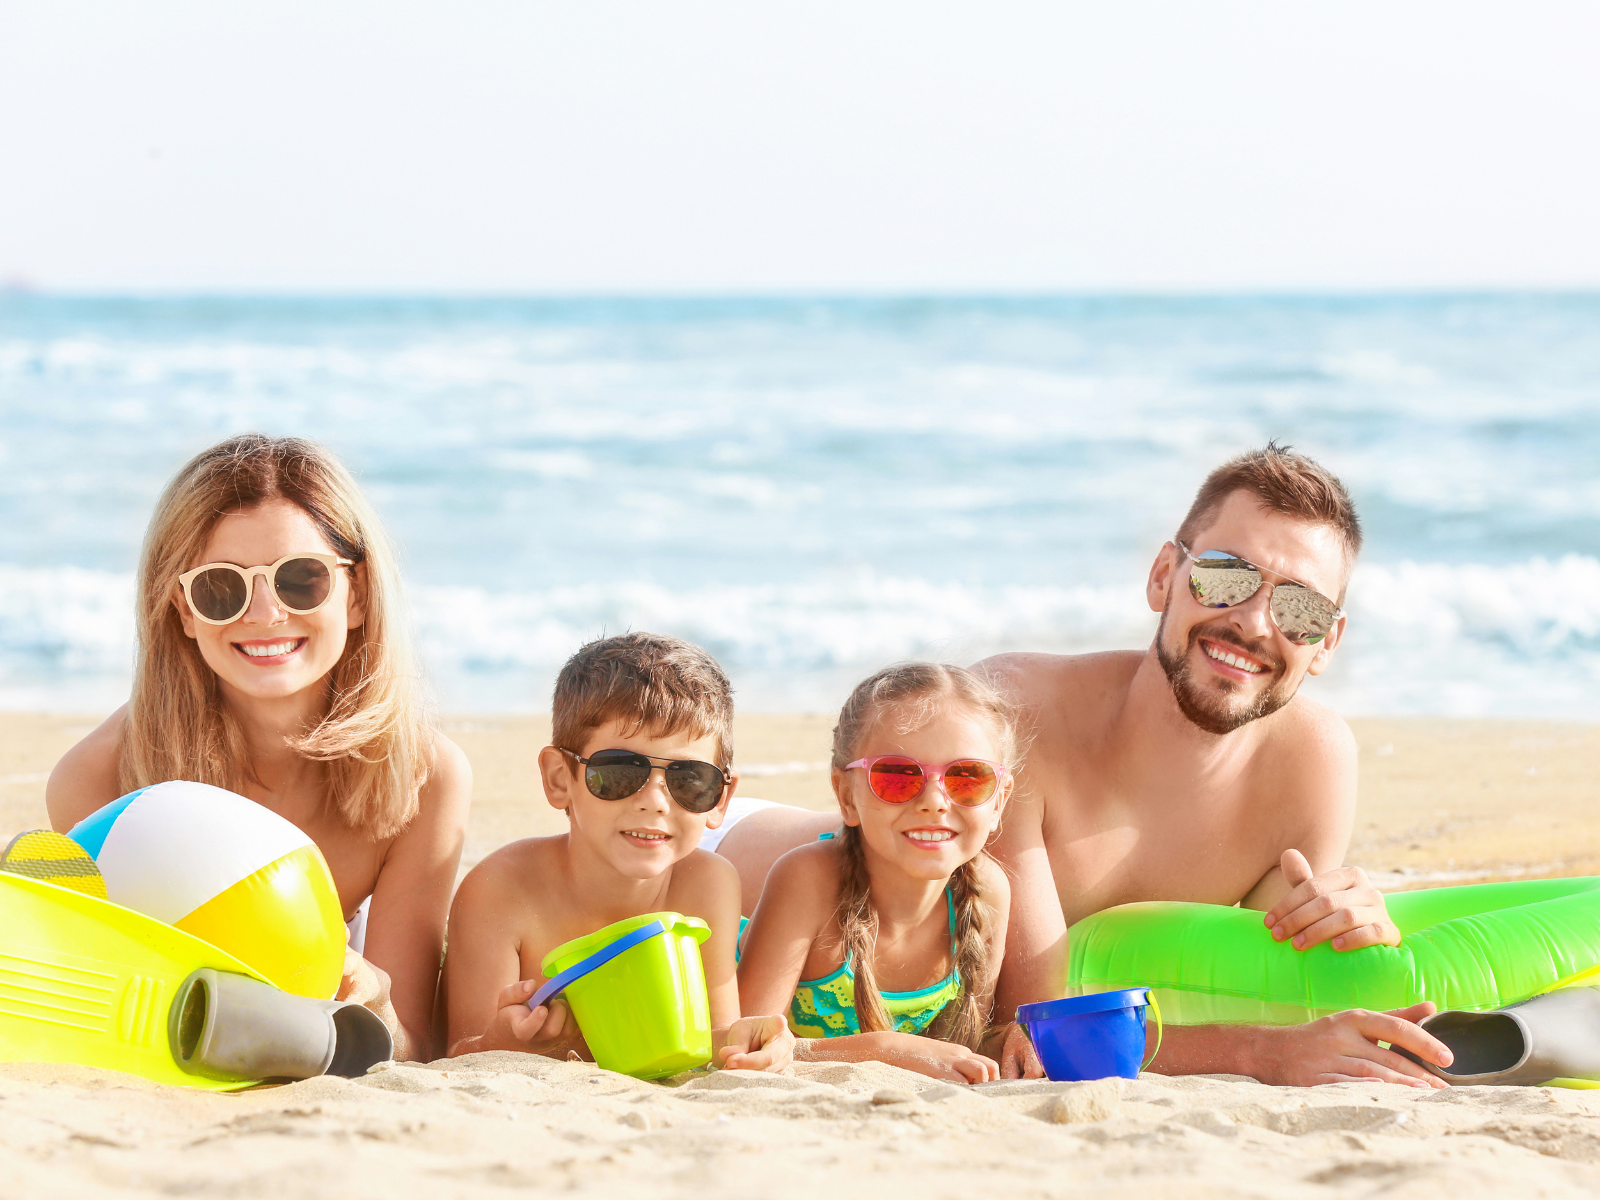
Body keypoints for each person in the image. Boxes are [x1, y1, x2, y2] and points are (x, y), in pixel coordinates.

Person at [717, 444, 1456, 1087]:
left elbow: (1247, 980)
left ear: (1327, 643)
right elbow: (1038, 1032)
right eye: (1226, 576)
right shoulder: (1022, 716)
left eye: (1300, 611)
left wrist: (1351, 922)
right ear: (1164, 574)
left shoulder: (1314, 762)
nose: (1255, 623)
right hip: (724, 873)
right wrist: (1269, 1054)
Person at [47, 434, 470, 1062]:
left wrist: (375, 999)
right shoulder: (101, 775)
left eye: (301, 579)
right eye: (223, 588)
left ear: (356, 595)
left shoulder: (424, 776)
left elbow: (413, 1045)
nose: (267, 613)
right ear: (184, 609)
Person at [443, 632, 793, 1071]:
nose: (655, 800)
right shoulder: (502, 891)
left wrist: (749, 1040)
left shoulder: (709, 885)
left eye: (689, 779)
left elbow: (712, 1038)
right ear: (558, 778)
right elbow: (455, 1055)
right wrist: (505, 1039)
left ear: (720, 799)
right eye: (621, 771)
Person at [737, 663, 1043, 1083]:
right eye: (897, 777)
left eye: (967, 778)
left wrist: (1012, 1040)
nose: (935, 800)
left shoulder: (987, 891)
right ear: (846, 795)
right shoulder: (808, 880)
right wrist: (886, 1050)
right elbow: (745, 1047)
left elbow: (966, 1044)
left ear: (999, 802)